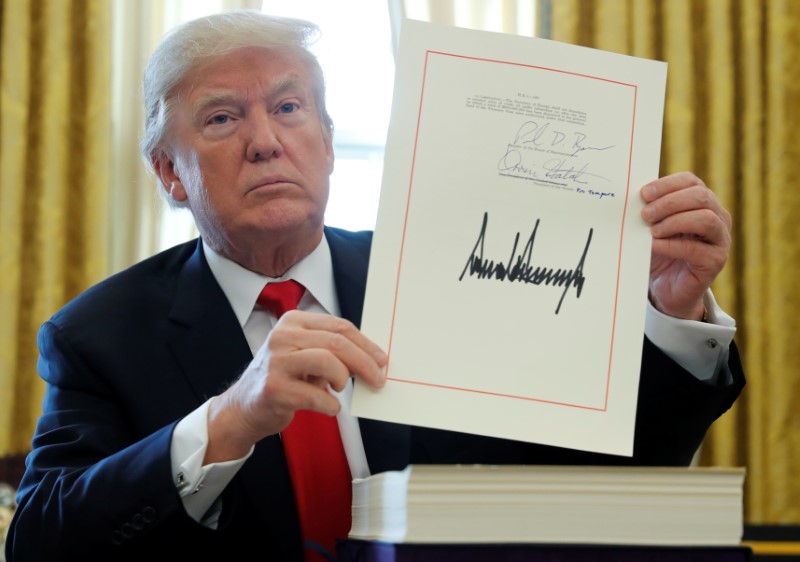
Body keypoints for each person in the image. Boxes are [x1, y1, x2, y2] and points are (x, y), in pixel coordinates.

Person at [5, 9, 744, 562]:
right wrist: (229, 419)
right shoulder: (98, 336)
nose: (266, 139)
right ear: (170, 174)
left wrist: (670, 311)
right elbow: (40, 539)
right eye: (223, 117)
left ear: (326, 142)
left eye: (289, 108)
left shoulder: (445, 277)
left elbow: (600, 478)